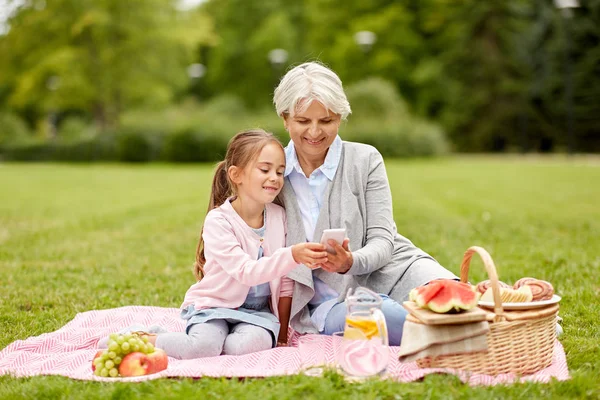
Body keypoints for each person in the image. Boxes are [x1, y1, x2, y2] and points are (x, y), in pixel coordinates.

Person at [273, 62, 457, 346]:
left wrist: (350, 262)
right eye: (302, 121)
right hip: (331, 302)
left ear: (340, 118)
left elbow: (384, 241)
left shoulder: (365, 159)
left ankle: (508, 321)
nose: (314, 132)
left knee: (459, 304)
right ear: (285, 119)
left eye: (326, 121)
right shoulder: (271, 171)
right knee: (392, 319)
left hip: (394, 270)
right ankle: (474, 336)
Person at [103, 130, 328, 358]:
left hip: (258, 313)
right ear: (236, 174)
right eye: (265, 170)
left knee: (241, 348)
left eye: (280, 172)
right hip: (214, 307)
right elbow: (245, 272)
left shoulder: (280, 217)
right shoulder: (219, 221)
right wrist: (293, 255)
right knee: (203, 348)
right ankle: (148, 338)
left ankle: (195, 340)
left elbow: (286, 284)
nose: (275, 178)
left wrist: (281, 337)